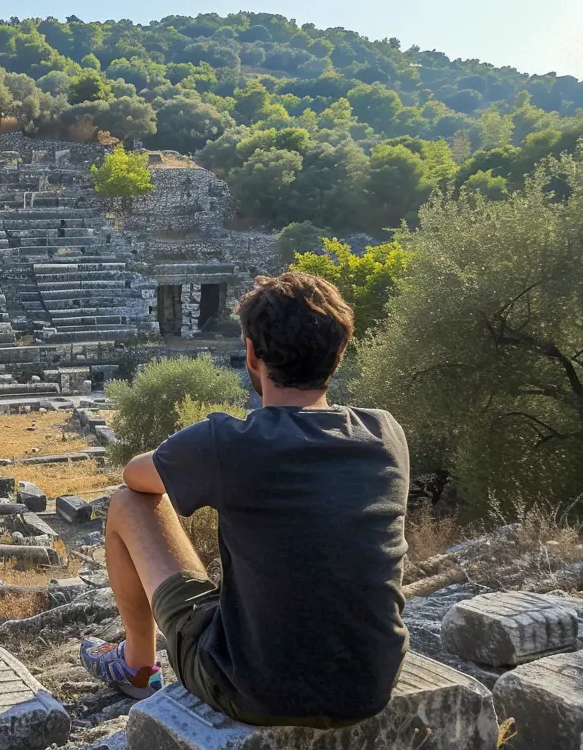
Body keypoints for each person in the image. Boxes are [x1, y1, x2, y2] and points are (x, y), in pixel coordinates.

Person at [79, 271, 412, 728]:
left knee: (127, 503)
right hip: (368, 686)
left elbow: (135, 476)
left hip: (252, 690)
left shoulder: (230, 442)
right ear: (339, 352)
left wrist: (201, 454)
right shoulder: (385, 433)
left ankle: (137, 666)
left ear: (252, 354)